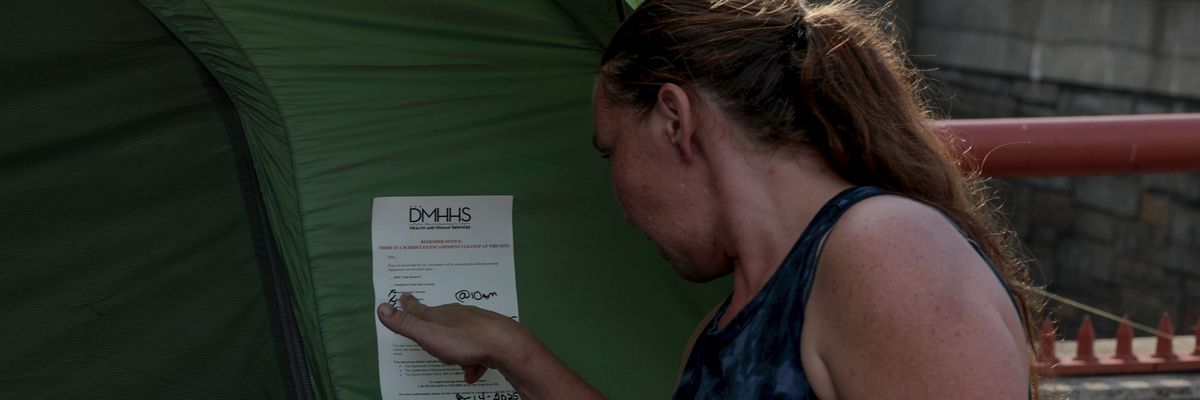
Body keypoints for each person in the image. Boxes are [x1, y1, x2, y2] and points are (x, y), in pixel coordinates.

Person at [376, 0, 1039, 398]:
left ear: (673, 120)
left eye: (612, 152)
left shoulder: (887, 251)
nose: (618, 193)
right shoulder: (727, 324)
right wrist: (512, 351)